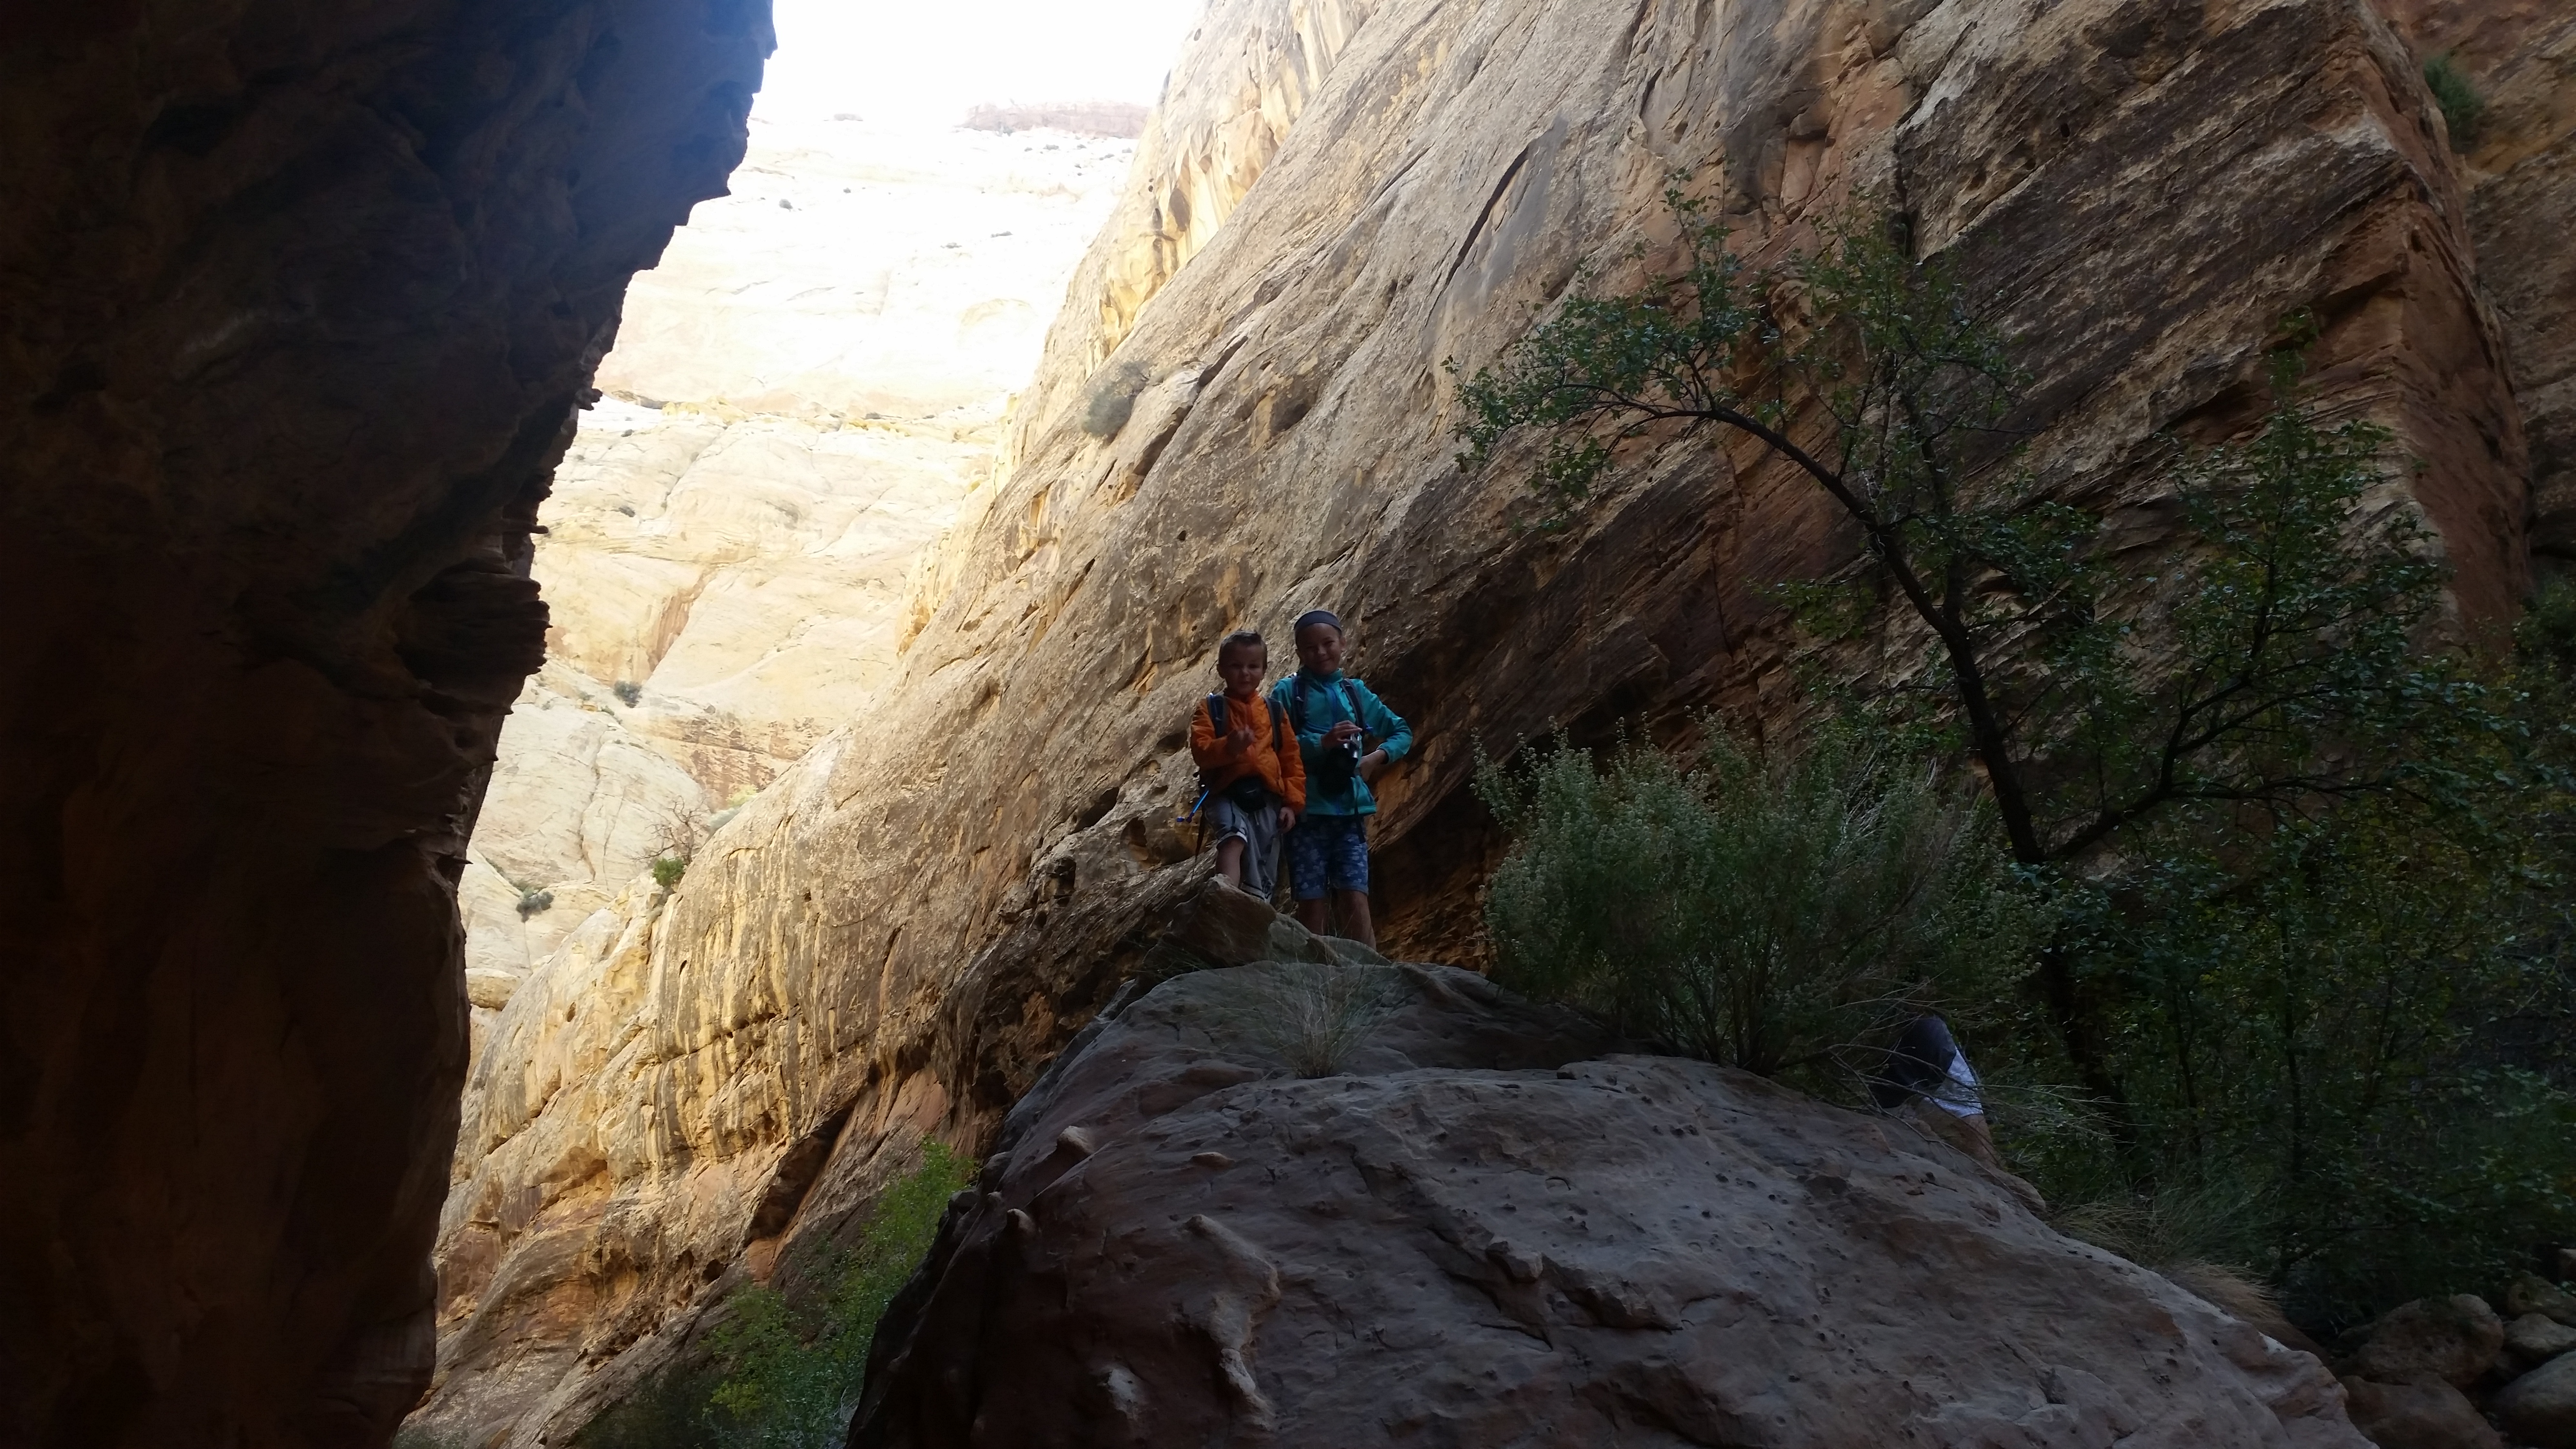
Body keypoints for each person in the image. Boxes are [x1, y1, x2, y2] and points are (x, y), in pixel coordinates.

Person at [1271, 609, 1411, 949]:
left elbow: (1402, 731)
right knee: (1311, 903)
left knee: (1355, 898)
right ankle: (1312, 988)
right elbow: (1273, 746)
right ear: (1299, 652)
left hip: (1350, 815)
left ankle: (1368, 981)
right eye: (1310, 648)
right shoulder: (1288, 692)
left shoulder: (1356, 693)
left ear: (1342, 643)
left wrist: (1375, 759)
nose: (1320, 653)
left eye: (1327, 643)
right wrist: (1323, 742)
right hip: (1307, 815)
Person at [1187, 630, 1303, 897]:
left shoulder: (1274, 711)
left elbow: (1290, 758)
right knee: (1234, 838)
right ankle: (1225, 895)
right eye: (1236, 666)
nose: (1245, 673)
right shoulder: (1211, 708)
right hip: (1225, 793)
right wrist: (1229, 747)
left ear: (1264, 670)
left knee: (1263, 859)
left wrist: (1292, 803)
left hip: (1267, 797)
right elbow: (1201, 751)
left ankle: (1254, 907)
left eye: (1253, 666)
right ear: (1221, 670)